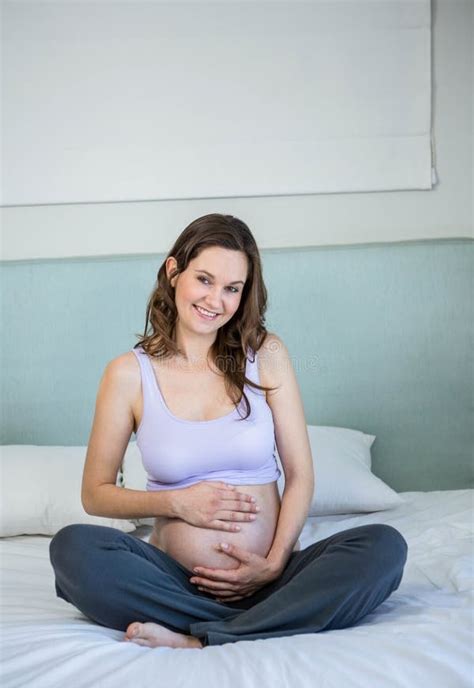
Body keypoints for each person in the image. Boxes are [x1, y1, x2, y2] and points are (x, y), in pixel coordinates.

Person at [49, 213, 408, 649]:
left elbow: (301, 476)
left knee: (384, 547)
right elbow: (96, 493)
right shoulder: (127, 374)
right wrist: (178, 503)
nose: (215, 300)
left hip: (272, 577)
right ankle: (256, 624)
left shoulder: (266, 354)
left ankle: (200, 634)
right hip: (173, 580)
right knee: (72, 550)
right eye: (204, 279)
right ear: (173, 272)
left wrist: (274, 563)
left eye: (232, 289)